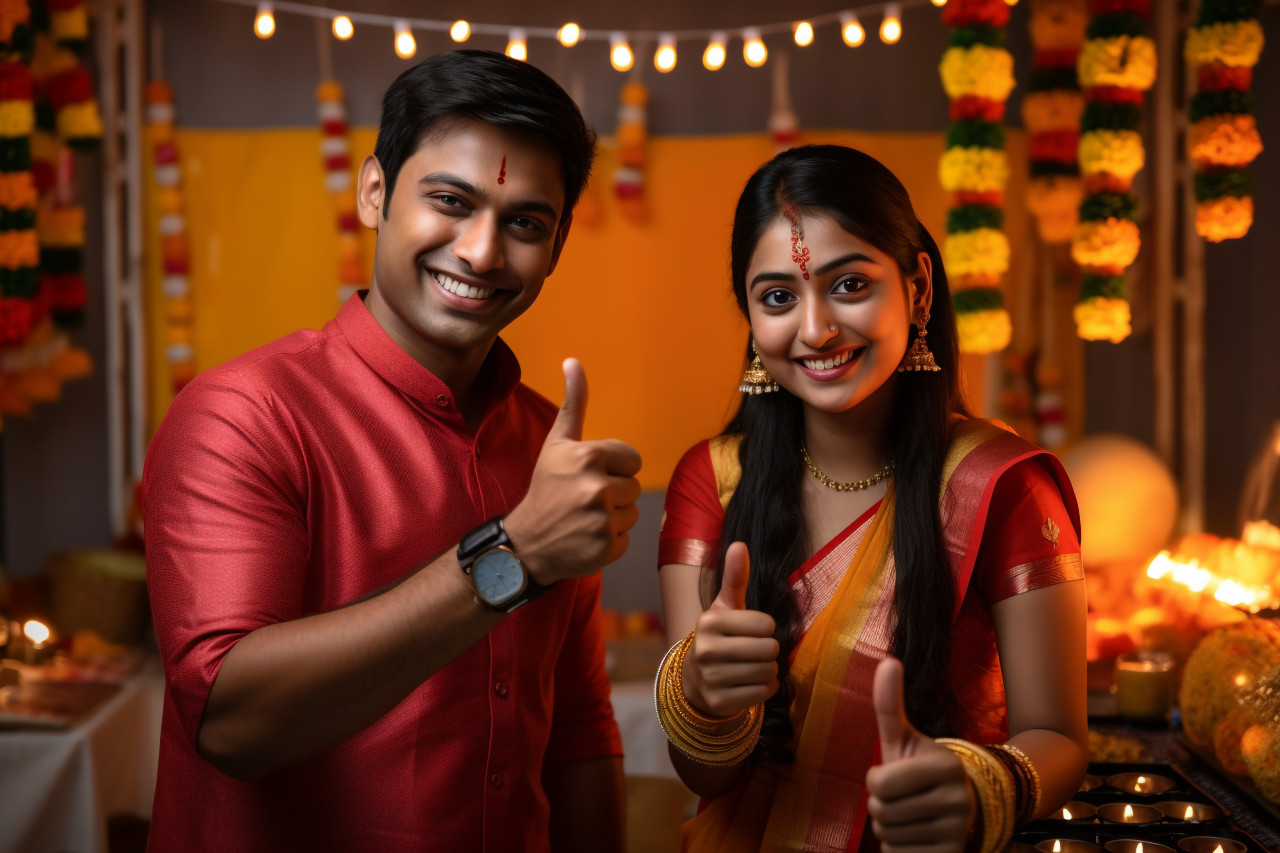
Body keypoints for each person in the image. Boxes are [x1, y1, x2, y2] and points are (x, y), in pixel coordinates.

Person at [143, 50, 640, 852]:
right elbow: (229, 718)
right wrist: (511, 556)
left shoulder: (549, 445)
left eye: (524, 223)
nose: (481, 252)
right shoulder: (242, 415)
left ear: (557, 243)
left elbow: (575, 722)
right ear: (374, 191)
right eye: (450, 201)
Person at [655, 145, 1087, 852]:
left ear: (918, 289)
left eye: (850, 285)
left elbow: (1061, 736)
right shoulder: (713, 479)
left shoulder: (1000, 485)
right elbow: (706, 773)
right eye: (777, 298)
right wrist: (702, 698)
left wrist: (980, 786)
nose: (817, 329)